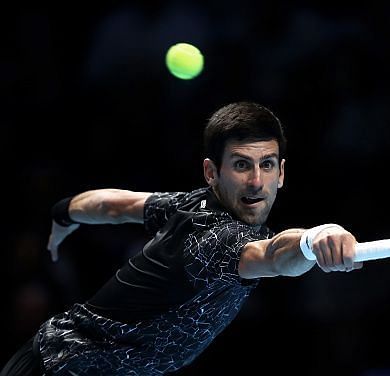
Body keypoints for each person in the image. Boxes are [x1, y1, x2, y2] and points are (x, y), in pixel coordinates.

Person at [1, 101, 363, 376]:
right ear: (211, 171)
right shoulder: (217, 241)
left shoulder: (191, 204)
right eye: (241, 165)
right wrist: (316, 238)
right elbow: (272, 256)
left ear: (281, 173)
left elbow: (115, 205)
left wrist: (63, 212)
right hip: (64, 367)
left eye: (266, 164)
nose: (256, 181)